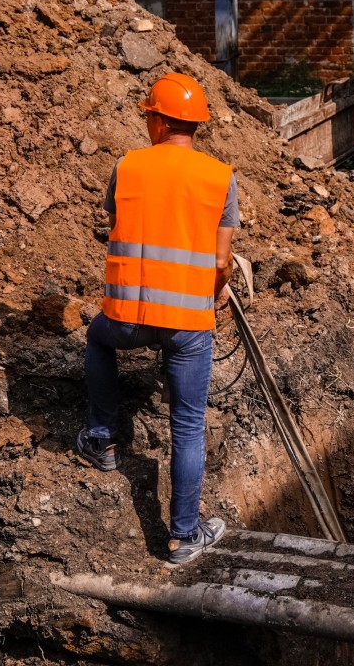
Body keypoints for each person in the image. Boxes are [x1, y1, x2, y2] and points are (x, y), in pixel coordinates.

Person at [78, 73, 239, 565]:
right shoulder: (220, 177)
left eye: (148, 114)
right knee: (187, 426)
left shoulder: (128, 166)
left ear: (161, 119)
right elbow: (221, 263)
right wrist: (211, 295)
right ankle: (182, 538)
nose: (146, 121)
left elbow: (117, 225)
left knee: (96, 340)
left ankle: (103, 439)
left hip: (128, 316)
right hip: (189, 324)